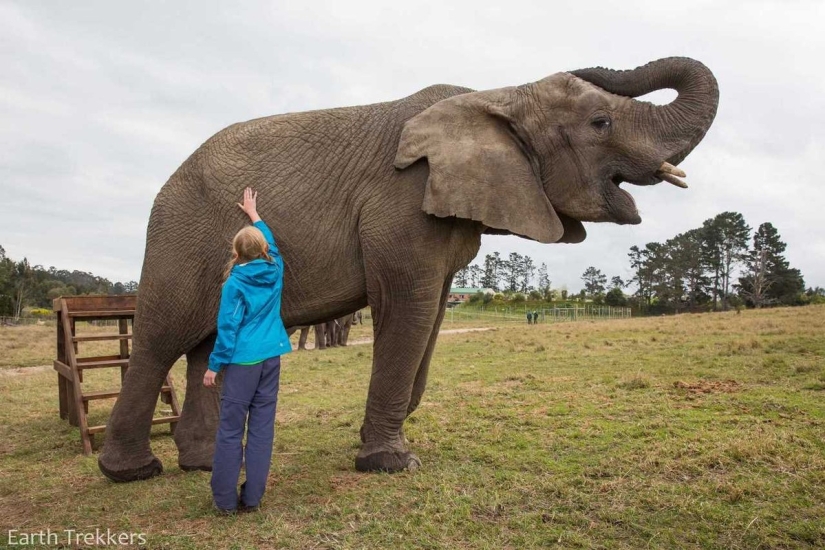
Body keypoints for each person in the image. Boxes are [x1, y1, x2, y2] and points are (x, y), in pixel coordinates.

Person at [203, 187, 291, 514]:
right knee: (261, 430)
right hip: (271, 358)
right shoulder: (276, 267)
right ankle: (252, 499)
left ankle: (225, 503)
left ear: (236, 255)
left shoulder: (234, 284)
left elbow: (228, 329)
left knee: (229, 431)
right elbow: (271, 244)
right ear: (265, 249)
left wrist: (214, 365)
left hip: (242, 363)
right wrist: (255, 215)